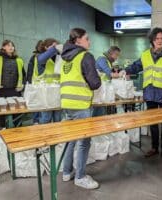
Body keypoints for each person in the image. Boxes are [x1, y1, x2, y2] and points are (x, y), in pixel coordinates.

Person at [124, 27, 162, 159]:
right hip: (150, 93)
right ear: (152, 40)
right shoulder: (145, 54)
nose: (159, 41)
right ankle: (155, 147)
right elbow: (136, 66)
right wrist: (124, 71)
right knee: (153, 122)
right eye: (156, 39)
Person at [61, 27, 101, 189]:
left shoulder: (65, 57)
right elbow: (94, 83)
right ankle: (81, 176)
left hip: (66, 104)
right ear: (78, 41)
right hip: (80, 105)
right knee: (84, 141)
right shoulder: (85, 56)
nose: (89, 41)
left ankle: (66, 172)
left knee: (71, 139)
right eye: (87, 38)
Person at [36, 38, 63, 124]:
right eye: (53, 46)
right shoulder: (41, 57)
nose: (55, 48)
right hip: (46, 95)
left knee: (58, 119)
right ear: (46, 47)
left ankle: (57, 137)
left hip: (58, 94)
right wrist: (54, 48)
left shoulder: (59, 59)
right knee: (46, 119)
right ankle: (44, 136)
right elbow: (41, 59)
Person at [93, 46, 121, 116]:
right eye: (116, 55)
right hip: (99, 91)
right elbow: (109, 73)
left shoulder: (108, 61)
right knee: (99, 114)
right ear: (111, 53)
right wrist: (121, 74)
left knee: (107, 112)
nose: (117, 57)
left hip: (105, 90)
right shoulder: (102, 59)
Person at [26, 40, 44, 124]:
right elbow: (30, 71)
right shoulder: (34, 57)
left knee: (41, 104)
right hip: (36, 85)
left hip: (43, 85)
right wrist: (29, 83)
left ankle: (38, 121)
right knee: (36, 103)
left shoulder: (47, 56)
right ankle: (36, 121)